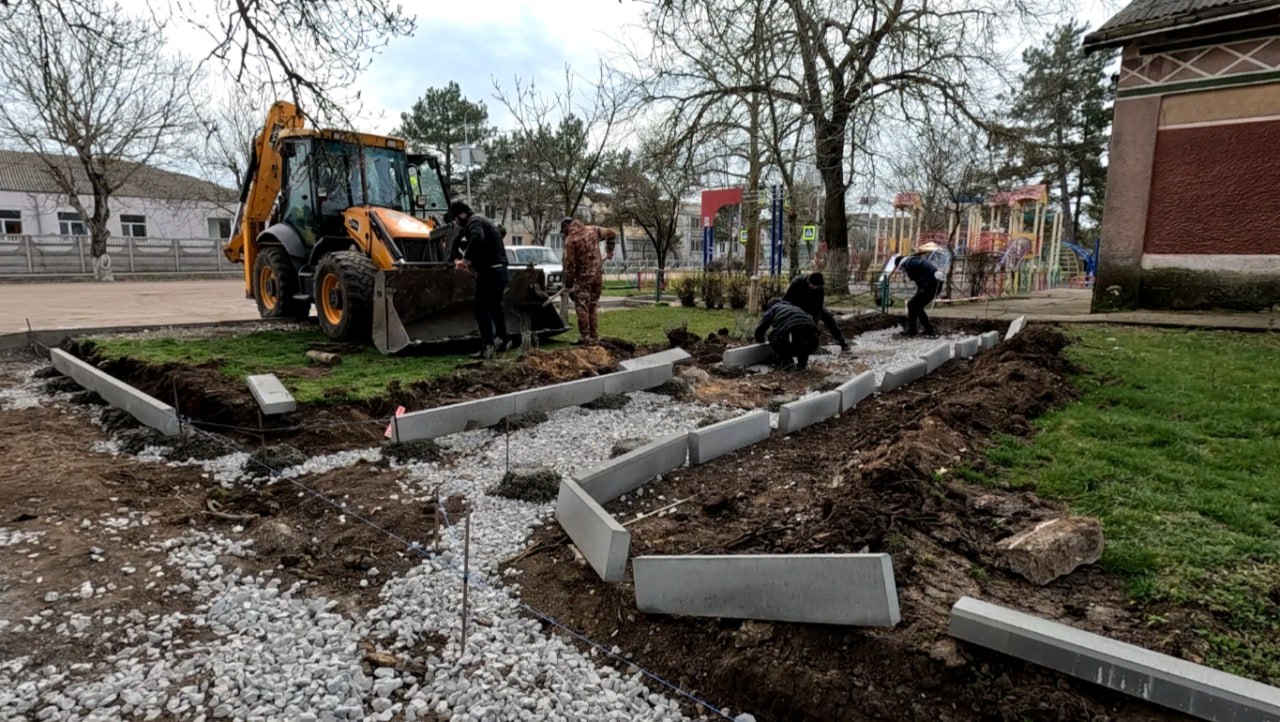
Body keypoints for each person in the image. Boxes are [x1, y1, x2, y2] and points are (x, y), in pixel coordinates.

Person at [446, 201, 512, 358]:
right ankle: (503, 338)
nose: (456, 222)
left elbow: (477, 238)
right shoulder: (485, 221)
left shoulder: (473, 222)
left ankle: (487, 346)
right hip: (501, 270)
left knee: (481, 310)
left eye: (456, 218)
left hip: (489, 272)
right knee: (495, 306)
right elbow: (483, 244)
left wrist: (465, 260)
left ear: (461, 214)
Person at [560, 217, 618, 345]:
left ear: (566, 226)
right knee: (592, 306)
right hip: (597, 276)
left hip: (583, 279)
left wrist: (568, 284)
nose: (564, 234)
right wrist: (609, 251)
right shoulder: (593, 230)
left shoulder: (571, 240)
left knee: (582, 308)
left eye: (563, 231)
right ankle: (594, 337)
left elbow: (570, 265)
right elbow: (612, 233)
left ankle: (586, 338)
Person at [782, 272, 850, 352]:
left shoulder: (819, 288)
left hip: (812, 305)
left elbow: (819, 308)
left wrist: (814, 324)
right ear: (808, 281)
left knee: (828, 317)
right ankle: (795, 345)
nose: (814, 287)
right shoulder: (797, 282)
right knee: (798, 324)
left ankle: (841, 341)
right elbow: (786, 299)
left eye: (816, 286)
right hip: (796, 305)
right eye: (813, 285)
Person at [893, 243, 945, 337]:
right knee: (917, 307)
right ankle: (928, 330)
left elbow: (924, 263)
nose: (903, 271)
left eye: (901, 269)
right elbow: (920, 281)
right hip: (931, 286)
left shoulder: (910, 263)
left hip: (931, 285)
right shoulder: (911, 264)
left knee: (912, 305)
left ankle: (913, 331)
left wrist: (934, 271)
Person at [754, 298, 820, 371]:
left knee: (773, 336)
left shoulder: (773, 309)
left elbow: (761, 327)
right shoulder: (795, 308)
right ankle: (801, 365)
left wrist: (760, 339)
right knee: (802, 342)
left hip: (792, 329)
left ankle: (787, 362)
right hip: (813, 336)